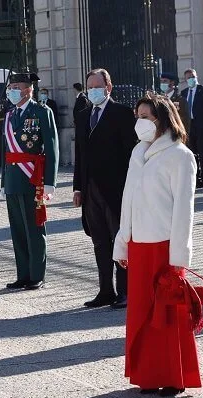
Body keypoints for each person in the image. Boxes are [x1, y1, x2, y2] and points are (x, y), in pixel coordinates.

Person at [113, 94, 201, 396]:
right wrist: (123, 242)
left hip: (164, 247)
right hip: (139, 246)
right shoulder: (138, 152)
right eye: (138, 115)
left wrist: (179, 256)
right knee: (141, 314)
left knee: (167, 314)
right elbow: (128, 200)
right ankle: (148, 375)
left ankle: (174, 377)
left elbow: (184, 210)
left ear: (163, 118)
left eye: (146, 116)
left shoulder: (180, 155)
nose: (141, 121)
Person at [73, 68, 137, 308]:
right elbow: (80, 154)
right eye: (89, 87)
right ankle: (105, 290)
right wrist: (77, 187)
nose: (92, 91)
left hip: (116, 190)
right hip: (90, 191)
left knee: (119, 240)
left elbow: (131, 154)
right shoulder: (83, 115)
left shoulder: (121, 113)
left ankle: (125, 291)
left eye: (97, 86)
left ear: (108, 88)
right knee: (99, 242)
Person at [1, 72, 59, 290]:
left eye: (16, 87)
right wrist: (2, 182)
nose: (12, 91)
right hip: (13, 181)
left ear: (28, 90)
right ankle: (23, 274)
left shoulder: (42, 112)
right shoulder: (9, 115)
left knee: (34, 228)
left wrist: (50, 183)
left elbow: (52, 148)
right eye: (11, 87)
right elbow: (5, 152)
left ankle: (36, 275)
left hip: (33, 178)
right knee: (17, 229)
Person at [180, 68, 203, 188]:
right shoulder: (184, 93)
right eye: (188, 77)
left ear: (196, 77)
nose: (191, 79)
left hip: (201, 125)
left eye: (192, 76)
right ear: (185, 79)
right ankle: (195, 176)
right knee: (192, 152)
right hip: (189, 126)